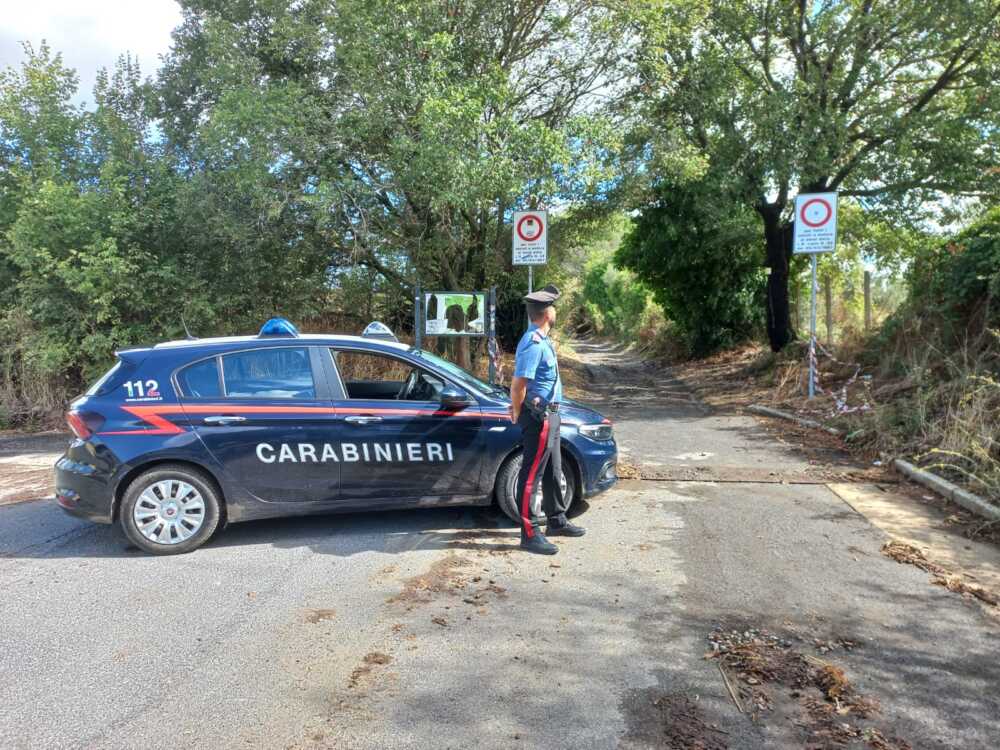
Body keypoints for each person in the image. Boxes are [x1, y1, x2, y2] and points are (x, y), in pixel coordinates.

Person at [509, 284, 586, 555]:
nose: (555, 311)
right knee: (532, 475)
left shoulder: (543, 340)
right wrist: (517, 411)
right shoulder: (532, 343)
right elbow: (518, 385)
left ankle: (556, 520)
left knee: (554, 468)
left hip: (551, 413)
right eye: (553, 307)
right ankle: (529, 533)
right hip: (538, 416)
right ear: (546, 313)